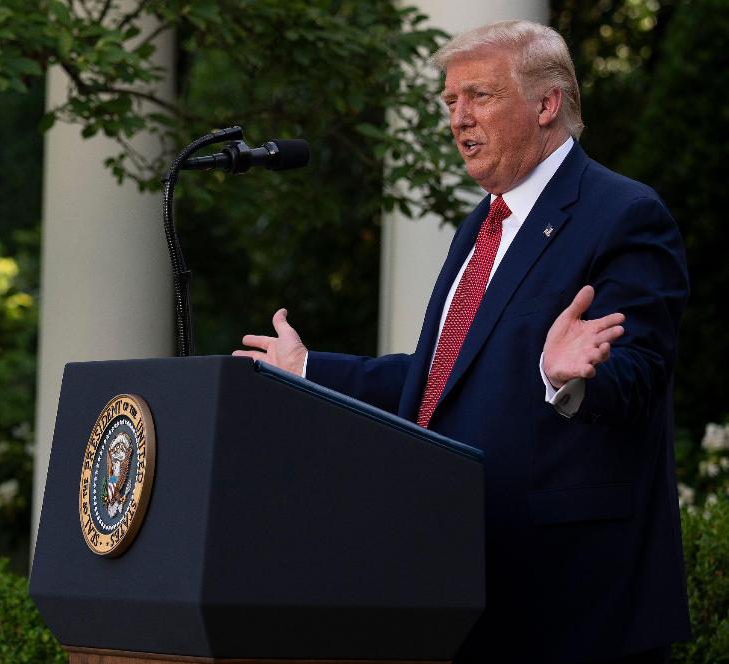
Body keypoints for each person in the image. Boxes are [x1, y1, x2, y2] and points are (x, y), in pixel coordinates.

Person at [234, 20, 690, 664]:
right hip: (460, 580)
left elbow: (641, 374)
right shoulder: (483, 224)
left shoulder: (622, 213)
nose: (457, 118)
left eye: (479, 95)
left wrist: (569, 379)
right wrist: (308, 369)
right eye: (450, 102)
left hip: (573, 602)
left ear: (546, 103)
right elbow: (441, 380)